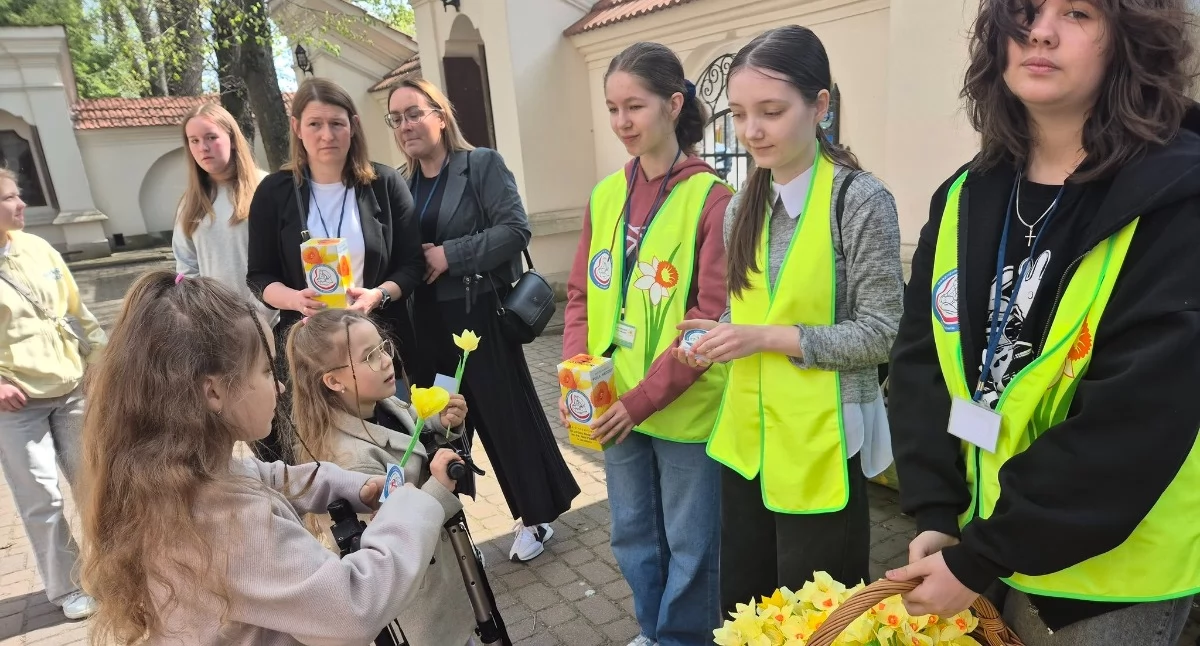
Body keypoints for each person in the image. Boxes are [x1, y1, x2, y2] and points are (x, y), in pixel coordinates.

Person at [886, 1, 1200, 644]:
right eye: (1025, 10)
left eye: (1078, 12)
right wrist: (936, 510)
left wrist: (981, 556)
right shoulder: (964, 196)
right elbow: (920, 360)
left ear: (1128, 39)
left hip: (1112, 579)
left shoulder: (1179, 199)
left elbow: (1140, 415)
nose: (1041, 31)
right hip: (979, 544)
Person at [80, 271, 465, 645]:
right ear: (213, 392)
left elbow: (267, 474)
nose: (280, 386)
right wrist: (423, 504)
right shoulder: (231, 521)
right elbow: (351, 607)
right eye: (265, 371)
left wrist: (350, 485)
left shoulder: (184, 477)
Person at [676, 25, 903, 613]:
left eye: (771, 112)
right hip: (748, 441)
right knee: (748, 608)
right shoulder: (743, 204)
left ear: (819, 105)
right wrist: (715, 334)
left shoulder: (859, 200)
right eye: (741, 113)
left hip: (822, 441)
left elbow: (883, 332)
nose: (752, 130)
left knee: (816, 614)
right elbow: (748, 308)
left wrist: (767, 338)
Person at [562, 42, 732, 646]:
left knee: (692, 543)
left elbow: (706, 321)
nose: (621, 123)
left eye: (634, 106)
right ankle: (653, 631)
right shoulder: (606, 194)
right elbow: (581, 293)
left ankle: (685, 638)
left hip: (682, 409)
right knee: (631, 532)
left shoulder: (714, 200)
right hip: (612, 403)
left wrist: (638, 403)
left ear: (673, 104)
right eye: (612, 109)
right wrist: (575, 373)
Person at [387, 78, 579, 562]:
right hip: (423, 324)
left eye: (413, 113)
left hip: (477, 319)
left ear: (440, 115)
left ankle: (536, 518)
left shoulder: (479, 165)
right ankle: (449, 528)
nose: (405, 125)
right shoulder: (399, 183)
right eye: (396, 118)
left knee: (503, 419)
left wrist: (451, 254)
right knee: (441, 427)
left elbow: (516, 229)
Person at [286, 308, 475, 646]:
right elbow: (391, 534)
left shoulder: (381, 405)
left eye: (383, 347)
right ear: (334, 380)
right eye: (370, 356)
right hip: (416, 599)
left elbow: (409, 427)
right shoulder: (348, 460)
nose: (387, 360)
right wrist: (437, 489)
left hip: (443, 571)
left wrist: (439, 421)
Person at [246, 77, 425, 405]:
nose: (326, 135)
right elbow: (259, 276)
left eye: (336, 123)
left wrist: (377, 295)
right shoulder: (274, 193)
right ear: (297, 127)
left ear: (353, 126)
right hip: (309, 353)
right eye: (315, 124)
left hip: (378, 347)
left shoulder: (385, 183)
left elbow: (412, 265)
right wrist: (296, 300)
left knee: (392, 441)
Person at [0, 167, 105, 620]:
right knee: (42, 497)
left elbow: (78, 311)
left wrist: (100, 358)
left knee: (95, 484)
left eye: (17, 195)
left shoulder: (37, 247)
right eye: (9, 198)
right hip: (15, 402)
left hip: (71, 387)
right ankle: (69, 587)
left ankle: (118, 568)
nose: (22, 204)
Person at [173, 102, 283, 461]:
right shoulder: (191, 204)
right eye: (194, 140)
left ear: (232, 139)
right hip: (225, 339)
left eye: (211, 137)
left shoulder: (267, 189)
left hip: (276, 328)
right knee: (260, 433)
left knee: (296, 422)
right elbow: (186, 270)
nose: (203, 147)